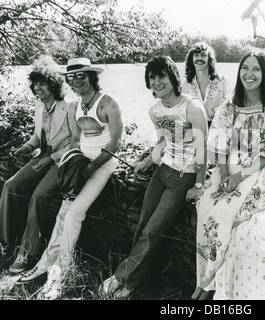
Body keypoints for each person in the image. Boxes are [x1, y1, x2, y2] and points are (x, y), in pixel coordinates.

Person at [192, 50, 265, 300]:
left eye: (256, 69)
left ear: (264, 73)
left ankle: (221, 290)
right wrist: (223, 174)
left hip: (254, 172)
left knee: (227, 215)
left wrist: (239, 176)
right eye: (245, 68)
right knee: (205, 205)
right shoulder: (229, 105)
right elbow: (219, 143)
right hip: (227, 169)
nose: (249, 74)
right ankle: (205, 280)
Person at [101, 55, 208, 299]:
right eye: (152, 77)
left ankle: (123, 282)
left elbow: (203, 149)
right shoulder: (155, 110)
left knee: (153, 231)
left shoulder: (192, 107)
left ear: (173, 77)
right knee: (142, 224)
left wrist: (199, 183)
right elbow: (163, 141)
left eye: (162, 76)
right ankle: (137, 278)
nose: (157, 82)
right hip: (162, 173)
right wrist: (147, 161)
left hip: (183, 177)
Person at [18, 57, 124, 300]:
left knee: (75, 213)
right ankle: (44, 264)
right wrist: (71, 164)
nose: (76, 80)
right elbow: (76, 141)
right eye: (72, 76)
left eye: (81, 75)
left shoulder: (108, 103)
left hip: (102, 165)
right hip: (80, 164)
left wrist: (92, 166)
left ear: (91, 77)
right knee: (62, 214)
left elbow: (116, 143)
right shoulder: (76, 105)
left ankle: (60, 275)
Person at [0, 55, 72, 274]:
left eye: (43, 83)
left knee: (39, 196)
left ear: (54, 84)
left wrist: (51, 159)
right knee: (11, 185)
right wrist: (25, 148)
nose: (38, 88)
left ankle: (27, 253)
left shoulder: (69, 108)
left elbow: (75, 144)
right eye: (35, 84)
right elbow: (37, 138)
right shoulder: (39, 106)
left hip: (61, 161)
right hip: (42, 157)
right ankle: (2, 239)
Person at [182, 41, 231, 127]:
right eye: (196, 55)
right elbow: (182, 113)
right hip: (195, 131)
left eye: (203, 55)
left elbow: (229, 109)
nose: (199, 58)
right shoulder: (185, 84)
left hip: (218, 129)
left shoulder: (222, 81)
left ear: (209, 59)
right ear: (191, 59)